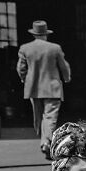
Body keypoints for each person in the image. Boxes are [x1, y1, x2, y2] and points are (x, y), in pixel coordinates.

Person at [17, 20, 72, 159]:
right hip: (52, 87)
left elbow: (21, 68)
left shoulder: (25, 48)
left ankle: (44, 140)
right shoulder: (55, 48)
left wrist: (25, 79)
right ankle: (46, 142)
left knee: (39, 116)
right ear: (46, 34)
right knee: (50, 116)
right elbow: (64, 66)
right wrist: (66, 78)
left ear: (34, 34)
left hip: (34, 88)